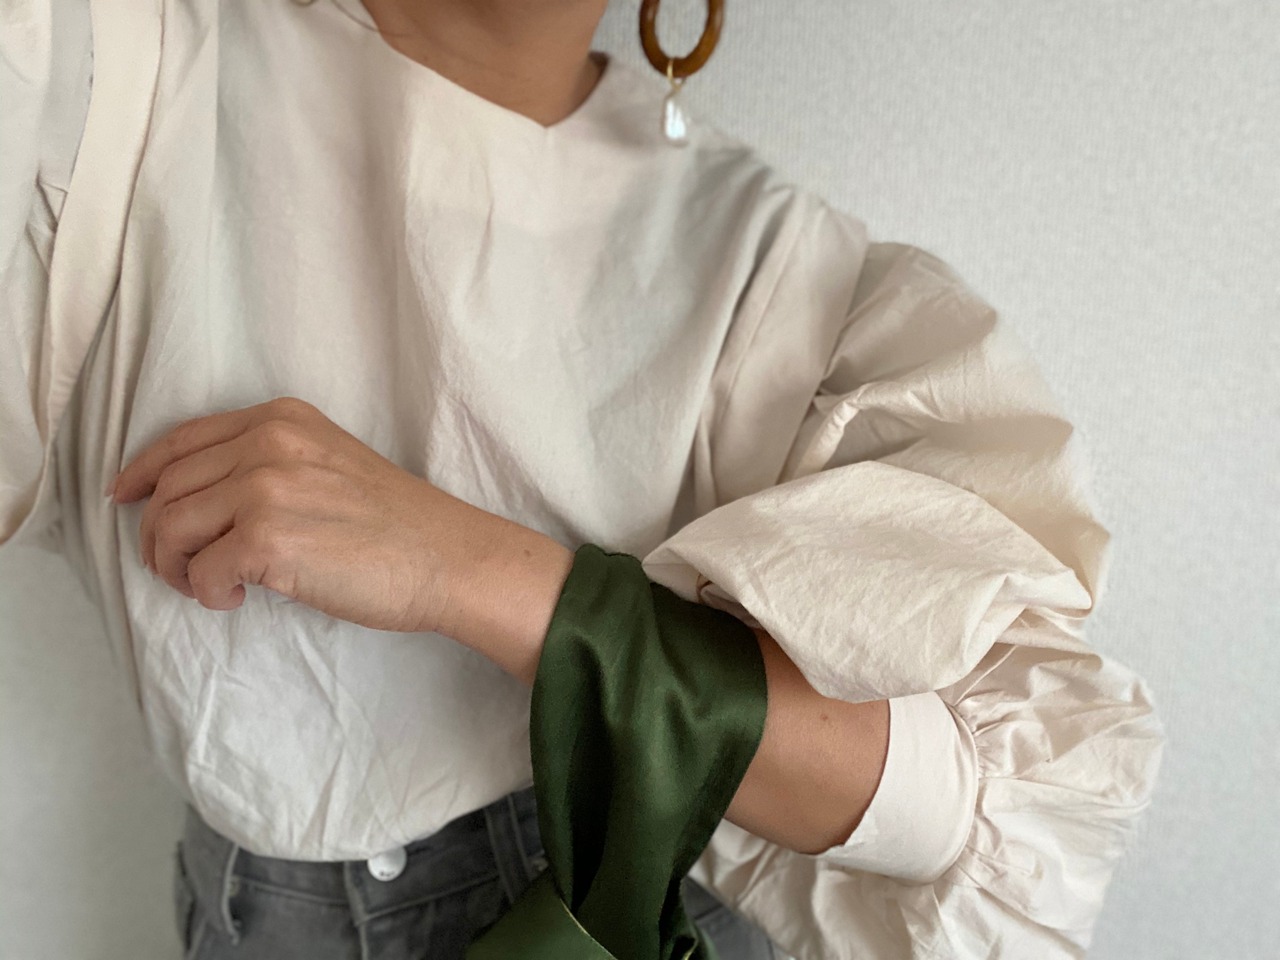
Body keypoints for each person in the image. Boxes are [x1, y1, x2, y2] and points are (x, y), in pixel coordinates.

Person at [0, 1, 1164, 958]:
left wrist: (469, 571)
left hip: (622, 908)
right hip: (257, 914)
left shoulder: (773, 270)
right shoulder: (111, 73)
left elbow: (987, 804)